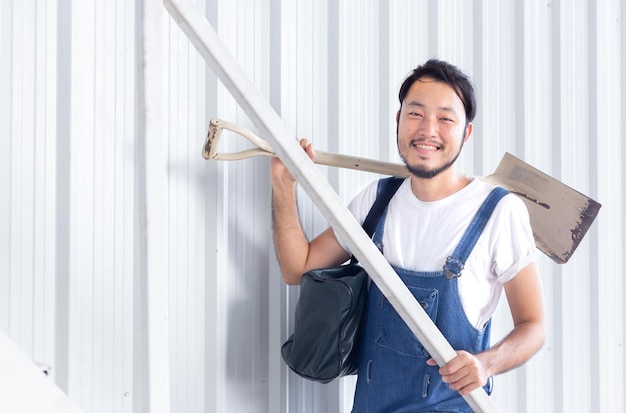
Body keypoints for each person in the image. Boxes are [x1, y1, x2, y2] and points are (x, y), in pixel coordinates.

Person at [271, 58, 546, 412]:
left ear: (466, 133)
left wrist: (486, 364)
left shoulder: (498, 212)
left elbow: (533, 326)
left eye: (445, 118)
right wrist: (283, 186)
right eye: (415, 114)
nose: (428, 130)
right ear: (398, 121)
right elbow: (299, 268)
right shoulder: (377, 201)